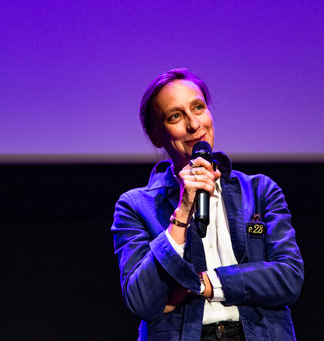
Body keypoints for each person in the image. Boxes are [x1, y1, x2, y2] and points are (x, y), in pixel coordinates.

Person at [111, 68, 304, 340]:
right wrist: (183, 211)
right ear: (156, 135)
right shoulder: (135, 206)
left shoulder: (260, 191)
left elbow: (289, 276)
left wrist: (202, 284)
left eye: (198, 107)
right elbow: (141, 301)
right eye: (175, 116)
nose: (193, 124)